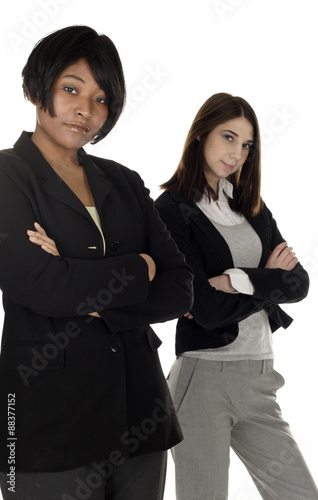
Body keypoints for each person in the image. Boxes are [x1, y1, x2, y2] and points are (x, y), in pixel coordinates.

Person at [0, 26, 193, 500]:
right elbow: (40, 284)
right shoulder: (6, 176)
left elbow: (181, 287)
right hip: (46, 424)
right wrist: (140, 267)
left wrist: (86, 289)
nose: (86, 109)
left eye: (102, 98)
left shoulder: (124, 182)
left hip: (140, 414)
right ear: (35, 86)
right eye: (71, 88)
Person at [155, 93, 318, 500]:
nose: (237, 153)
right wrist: (268, 279)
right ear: (201, 135)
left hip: (260, 378)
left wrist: (237, 280)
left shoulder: (250, 205)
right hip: (204, 379)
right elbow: (207, 309)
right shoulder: (172, 210)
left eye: (247, 145)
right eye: (228, 137)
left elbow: (299, 284)